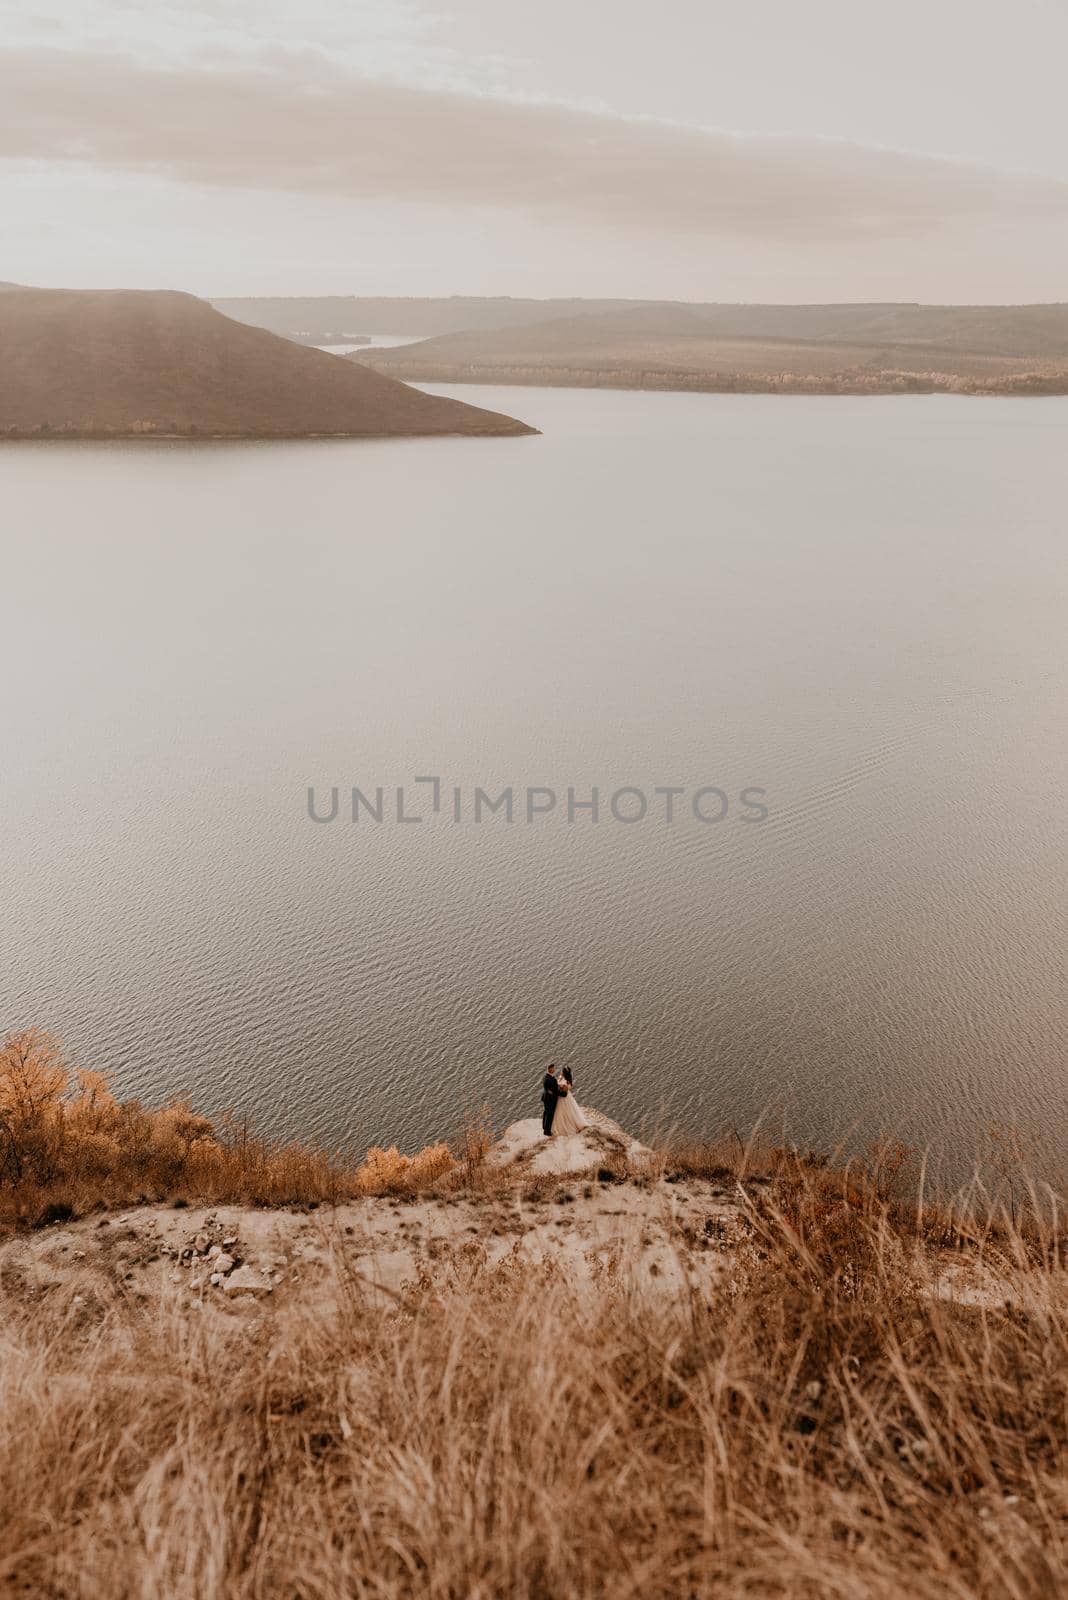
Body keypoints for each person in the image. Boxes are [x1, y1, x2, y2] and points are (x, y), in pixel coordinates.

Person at [549, 1065, 588, 1136]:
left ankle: (565, 1127)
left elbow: (564, 1093)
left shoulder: (566, 1082)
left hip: (564, 1099)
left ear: (564, 1073)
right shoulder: (561, 1077)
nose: (560, 1072)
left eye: (562, 1071)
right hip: (561, 1097)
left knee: (564, 1112)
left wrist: (557, 1090)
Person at [541, 1064, 559, 1137]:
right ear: (550, 1069)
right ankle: (547, 1131)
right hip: (550, 1100)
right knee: (550, 1115)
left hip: (546, 1098)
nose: (555, 1069)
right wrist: (564, 1094)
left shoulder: (545, 1077)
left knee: (546, 1113)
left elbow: (549, 1090)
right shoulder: (552, 1080)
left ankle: (544, 1127)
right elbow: (555, 1091)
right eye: (554, 1068)